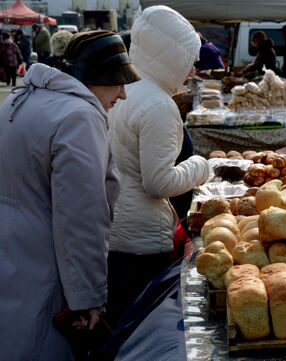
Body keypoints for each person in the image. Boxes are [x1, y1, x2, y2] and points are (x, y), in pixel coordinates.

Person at [0, 30, 140, 360]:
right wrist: (89, 296)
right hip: (46, 264)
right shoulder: (79, 115)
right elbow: (82, 216)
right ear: (96, 76)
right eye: (118, 82)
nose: (122, 95)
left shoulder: (21, 99)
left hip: (13, 255)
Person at [106, 5, 210, 328]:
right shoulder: (159, 105)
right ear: (172, 58)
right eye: (190, 62)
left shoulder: (127, 90)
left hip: (116, 228)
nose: (192, 71)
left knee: (121, 324)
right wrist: (201, 166)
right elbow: (158, 182)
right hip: (143, 240)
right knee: (140, 328)